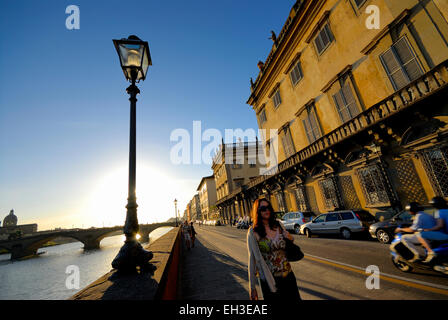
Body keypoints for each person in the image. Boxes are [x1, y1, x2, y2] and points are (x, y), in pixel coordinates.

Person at [246, 198, 301, 300]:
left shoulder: (278, 225)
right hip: (269, 281)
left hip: (288, 276)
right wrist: (252, 287)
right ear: (257, 211)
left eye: (268, 208)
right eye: (263, 208)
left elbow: (289, 243)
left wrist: (290, 237)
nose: (267, 210)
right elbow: (252, 261)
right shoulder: (253, 232)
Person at [416, 197, 448, 263]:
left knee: (420, 234)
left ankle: (430, 253)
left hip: (445, 235)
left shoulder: (439, 212)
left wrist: (428, 229)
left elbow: (440, 226)